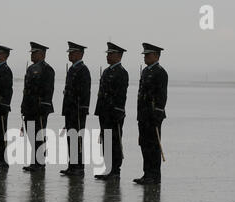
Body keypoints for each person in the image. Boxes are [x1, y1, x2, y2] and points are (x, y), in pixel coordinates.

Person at [134, 43, 168, 185]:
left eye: (148, 55)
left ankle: (154, 175)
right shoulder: (146, 71)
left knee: (153, 146)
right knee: (144, 144)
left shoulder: (160, 72)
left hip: (153, 114)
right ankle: (147, 173)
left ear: (156, 56)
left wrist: (158, 113)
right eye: (145, 55)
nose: (145, 57)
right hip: (143, 114)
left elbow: (161, 96)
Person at [94, 42, 129, 180]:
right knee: (106, 140)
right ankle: (108, 168)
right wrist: (99, 110)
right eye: (108, 54)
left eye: (111, 54)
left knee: (115, 141)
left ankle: (115, 170)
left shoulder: (121, 73)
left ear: (119, 56)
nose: (108, 56)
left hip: (114, 113)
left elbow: (121, 95)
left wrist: (118, 111)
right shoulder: (107, 71)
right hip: (104, 112)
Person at [21, 42, 55, 172]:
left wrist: (44, 107)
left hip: (39, 108)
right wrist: (23, 106)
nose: (32, 55)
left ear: (42, 54)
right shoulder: (30, 69)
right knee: (31, 135)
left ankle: (40, 163)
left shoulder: (47, 69)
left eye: (34, 52)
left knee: (39, 135)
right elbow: (26, 90)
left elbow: (48, 90)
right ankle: (34, 161)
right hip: (29, 108)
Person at [60, 41, 91, 177]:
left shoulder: (83, 70)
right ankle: (72, 165)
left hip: (78, 110)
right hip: (70, 109)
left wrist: (82, 108)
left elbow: (84, 92)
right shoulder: (73, 69)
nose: (70, 54)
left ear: (79, 54)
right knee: (70, 138)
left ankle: (78, 167)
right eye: (69, 52)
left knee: (77, 138)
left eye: (72, 52)